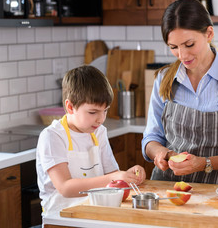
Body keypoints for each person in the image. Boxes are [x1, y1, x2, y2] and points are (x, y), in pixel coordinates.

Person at [141, 0, 218, 185]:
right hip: (166, 189)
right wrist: (160, 153)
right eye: (173, 47)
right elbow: (151, 138)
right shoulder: (164, 78)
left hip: (216, 193)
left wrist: (203, 163)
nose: (182, 55)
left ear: (209, 33)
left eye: (189, 45)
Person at [36, 65, 146, 217]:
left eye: (105, 110)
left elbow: (112, 174)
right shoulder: (52, 136)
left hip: (96, 212)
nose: (101, 119)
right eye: (93, 112)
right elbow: (65, 188)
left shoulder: (98, 132)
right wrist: (114, 177)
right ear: (70, 107)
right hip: (61, 218)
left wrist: (127, 175)